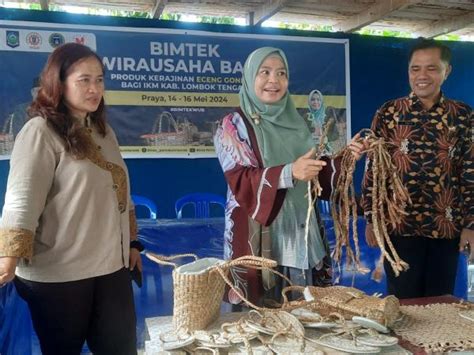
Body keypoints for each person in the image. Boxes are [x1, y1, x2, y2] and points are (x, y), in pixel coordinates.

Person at [0, 43, 142, 354]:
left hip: (111, 270)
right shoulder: (40, 132)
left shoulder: (104, 132)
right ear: (59, 83)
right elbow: (22, 198)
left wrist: (131, 243)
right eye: (84, 80)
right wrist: (8, 258)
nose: (95, 89)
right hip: (60, 275)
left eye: (100, 80)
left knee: (122, 348)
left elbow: (121, 191)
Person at [214, 47, 366, 306]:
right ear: (250, 77)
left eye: (281, 73)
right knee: (259, 324)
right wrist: (289, 172)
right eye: (265, 72)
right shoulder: (232, 126)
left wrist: (346, 160)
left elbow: (314, 173)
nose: (274, 80)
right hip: (260, 240)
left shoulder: (297, 123)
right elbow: (241, 180)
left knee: (306, 317)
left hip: (302, 237)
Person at [362, 39, 473, 299]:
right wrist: (371, 217)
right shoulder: (389, 112)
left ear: (447, 71)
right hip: (399, 225)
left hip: (445, 226)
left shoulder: (463, 115)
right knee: (402, 304)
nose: (422, 76)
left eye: (432, 68)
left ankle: (435, 342)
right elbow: (374, 170)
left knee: (440, 303)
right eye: (415, 69)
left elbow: (470, 171)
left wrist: (471, 225)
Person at [307, 89, 347, 154]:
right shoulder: (306, 118)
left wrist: (326, 138)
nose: (316, 102)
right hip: (308, 153)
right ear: (309, 101)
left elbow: (335, 135)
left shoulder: (328, 118)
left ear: (321, 101)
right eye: (313, 100)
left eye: (318, 99)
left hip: (326, 153)